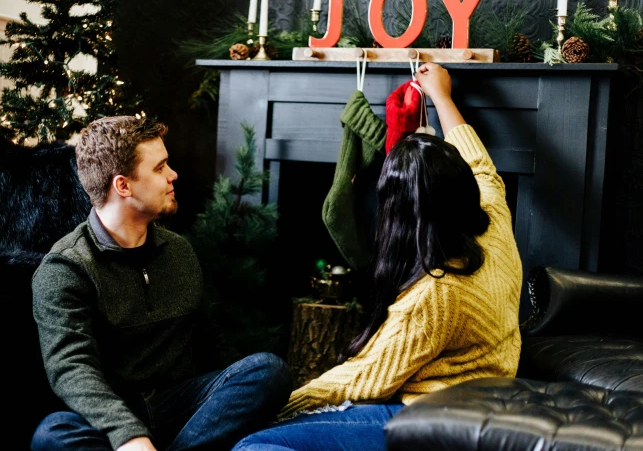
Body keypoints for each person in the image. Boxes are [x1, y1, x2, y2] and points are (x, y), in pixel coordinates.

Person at [232, 63, 523, 451]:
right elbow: (479, 162)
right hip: (486, 403)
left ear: (398, 214)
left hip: (437, 421)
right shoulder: (494, 221)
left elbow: (367, 376)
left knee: (254, 446)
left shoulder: (435, 294)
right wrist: (441, 95)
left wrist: (275, 411)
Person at [30, 116, 292, 451]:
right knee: (53, 435)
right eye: (160, 168)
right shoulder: (66, 268)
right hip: (114, 413)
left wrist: (247, 390)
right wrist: (128, 435)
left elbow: (210, 343)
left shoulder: (178, 251)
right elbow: (71, 370)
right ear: (123, 186)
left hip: (181, 407)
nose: (173, 175)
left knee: (267, 370)